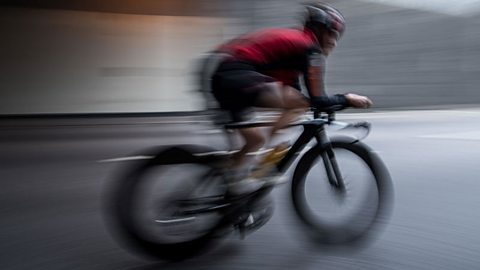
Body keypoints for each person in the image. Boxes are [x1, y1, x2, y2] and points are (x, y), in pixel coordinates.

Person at [208, 2, 372, 195]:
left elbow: (297, 92)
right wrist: (347, 99)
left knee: (256, 140)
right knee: (297, 105)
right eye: (333, 34)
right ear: (320, 31)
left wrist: (328, 104)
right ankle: (267, 164)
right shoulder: (309, 49)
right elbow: (316, 99)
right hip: (237, 76)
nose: (334, 42)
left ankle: (226, 184)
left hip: (224, 76)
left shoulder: (294, 49)